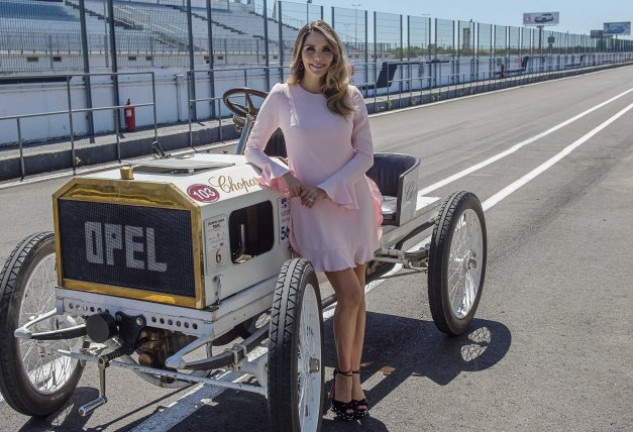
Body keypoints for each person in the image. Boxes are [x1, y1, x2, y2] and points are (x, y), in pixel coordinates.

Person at [244, 20, 382, 421]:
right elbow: (253, 149)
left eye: (326, 50)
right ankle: (342, 380)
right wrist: (284, 174)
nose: (318, 57)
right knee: (351, 296)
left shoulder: (349, 96)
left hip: (349, 202)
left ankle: (350, 381)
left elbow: (365, 156)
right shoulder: (282, 96)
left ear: (335, 55)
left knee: (358, 297)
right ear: (299, 54)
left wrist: (329, 186)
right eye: (311, 49)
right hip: (311, 210)